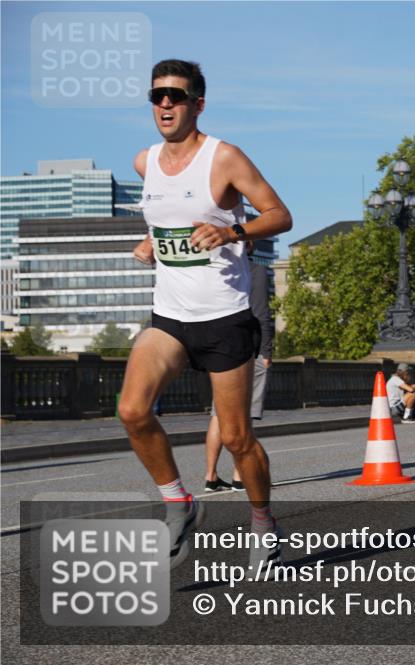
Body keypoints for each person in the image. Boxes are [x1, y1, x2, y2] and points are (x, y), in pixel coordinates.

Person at [121, 59, 292, 568]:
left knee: (238, 439)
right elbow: (169, 222)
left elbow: (280, 214)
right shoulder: (143, 162)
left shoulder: (224, 158)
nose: (165, 105)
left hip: (225, 318)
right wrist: (152, 241)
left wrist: (232, 232)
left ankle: (263, 521)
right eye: (157, 97)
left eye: (175, 96)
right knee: (132, 410)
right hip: (170, 317)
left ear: (197, 103)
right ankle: (179, 501)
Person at [204, 241, 274, 492]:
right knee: (244, 415)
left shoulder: (214, 270)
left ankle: (210, 476)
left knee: (217, 414)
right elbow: (260, 312)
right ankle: (239, 476)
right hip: (247, 349)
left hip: (219, 348)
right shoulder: (253, 271)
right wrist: (266, 350)